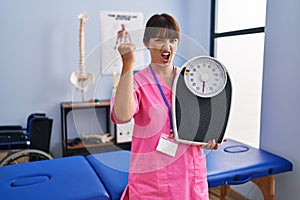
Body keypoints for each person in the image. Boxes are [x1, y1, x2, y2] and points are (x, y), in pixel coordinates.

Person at [110, 13, 216, 200]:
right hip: (152, 178)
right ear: (147, 42)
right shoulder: (137, 82)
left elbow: (201, 123)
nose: (167, 47)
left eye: (173, 40)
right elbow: (121, 116)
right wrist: (128, 64)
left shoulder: (190, 79)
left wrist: (207, 139)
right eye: (159, 40)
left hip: (189, 174)